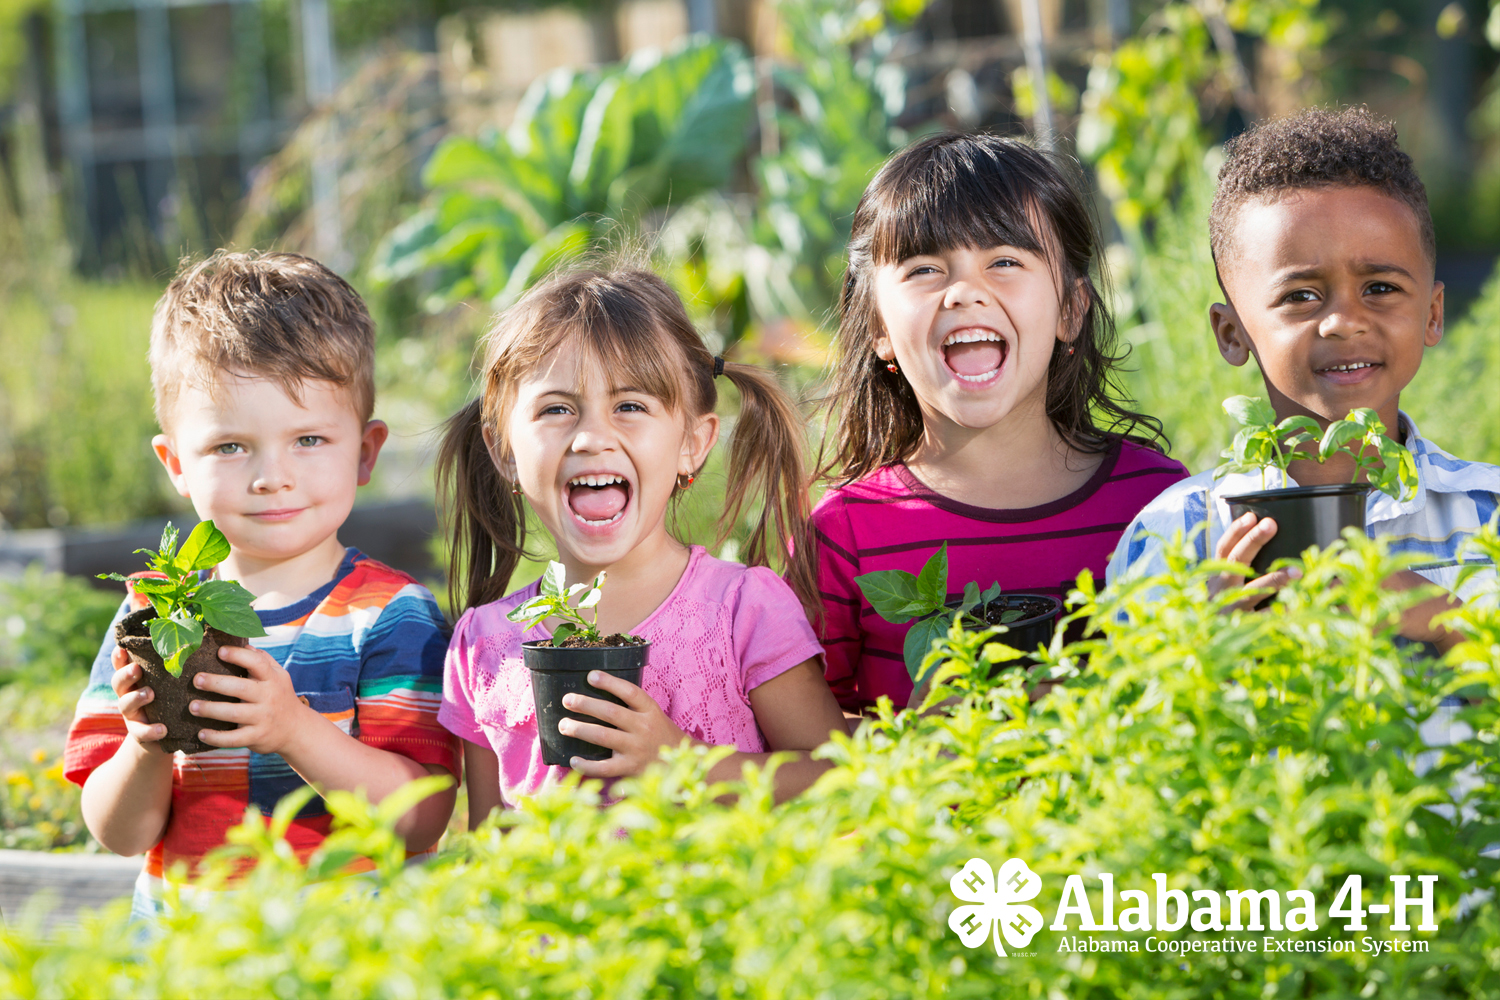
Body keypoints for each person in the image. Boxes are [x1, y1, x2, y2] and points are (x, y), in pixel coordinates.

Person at [64, 251, 460, 920]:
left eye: (308, 439)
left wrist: (291, 729)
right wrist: (146, 742)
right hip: (188, 958)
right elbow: (119, 833)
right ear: (176, 464)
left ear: (365, 452)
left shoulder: (390, 616)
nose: (271, 476)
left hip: (344, 958)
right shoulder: (158, 611)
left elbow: (420, 820)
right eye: (230, 447)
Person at [437, 265, 846, 825]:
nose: (592, 437)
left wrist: (682, 762)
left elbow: (839, 781)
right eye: (556, 409)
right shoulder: (482, 645)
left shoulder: (743, 611)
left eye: (630, 406)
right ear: (503, 449)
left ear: (693, 444)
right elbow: (489, 843)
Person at [801, 132, 1188, 719]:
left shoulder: (1158, 502)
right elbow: (802, 748)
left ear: (1070, 309)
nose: (964, 293)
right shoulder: (843, 536)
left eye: (1004, 262)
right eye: (925, 269)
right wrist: (922, 739)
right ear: (878, 327)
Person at [1107, 107, 1500, 644]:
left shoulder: (1489, 514)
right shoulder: (1175, 534)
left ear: (1432, 315)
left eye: (1380, 288)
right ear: (1231, 333)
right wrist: (1207, 645)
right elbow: (1124, 717)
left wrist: (1450, 622)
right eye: (1301, 296)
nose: (1344, 322)